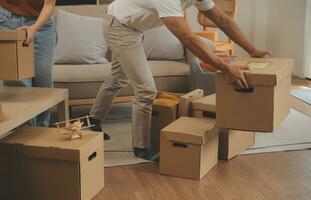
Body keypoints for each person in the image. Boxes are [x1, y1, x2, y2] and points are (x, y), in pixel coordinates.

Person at [90, 0, 271, 161]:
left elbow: (223, 20)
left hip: (132, 27)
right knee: (146, 90)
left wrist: (252, 49)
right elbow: (187, 38)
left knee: (117, 79)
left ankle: (93, 120)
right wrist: (225, 68)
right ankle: (141, 147)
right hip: (120, 28)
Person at [0, 0, 57, 127]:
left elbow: (49, 4)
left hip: (42, 24)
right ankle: (25, 134)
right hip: (8, 21)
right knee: (19, 85)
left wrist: (35, 27)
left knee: (43, 82)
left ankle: (41, 133)